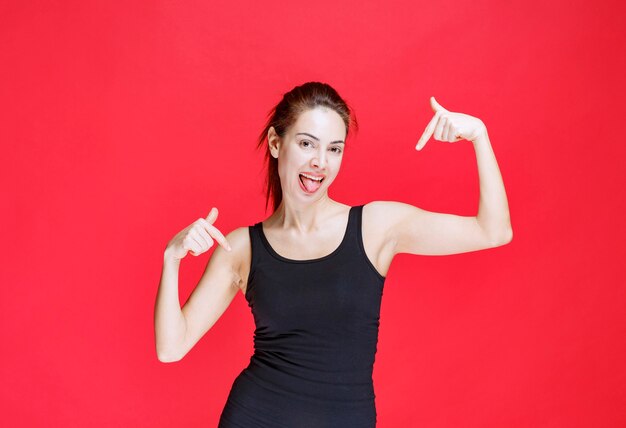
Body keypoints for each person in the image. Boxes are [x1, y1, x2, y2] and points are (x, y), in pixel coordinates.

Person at [154, 81, 512, 427]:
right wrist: (173, 258)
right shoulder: (242, 247)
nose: (320, 163)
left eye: (334, 149)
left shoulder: (375, 226)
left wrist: (479, 135)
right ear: (276, 143)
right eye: (307, 144)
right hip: (256, 417)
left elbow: (493, 232)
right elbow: (172, 347)